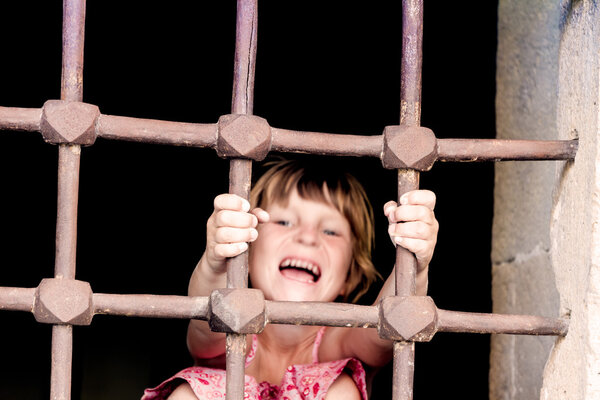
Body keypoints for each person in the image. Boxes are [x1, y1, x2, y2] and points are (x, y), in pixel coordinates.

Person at [142, 159, 438, 399]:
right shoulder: (228, 331)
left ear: (350, 277)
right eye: (284, 221)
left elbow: (389, 325)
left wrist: (414, 261)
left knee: (340, 389)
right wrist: (217, 261)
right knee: (188, 393)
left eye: (330, 231)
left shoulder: (337, 342)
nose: (307, 237)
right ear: (246, 251)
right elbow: (206, 316)